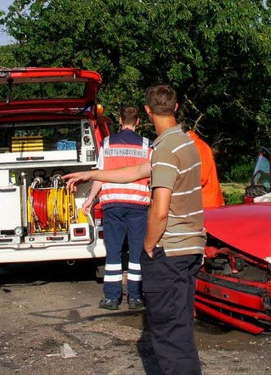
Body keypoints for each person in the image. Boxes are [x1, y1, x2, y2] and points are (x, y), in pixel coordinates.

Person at [64, 85, 205, 375]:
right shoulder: (183, 142)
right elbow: (137, 171)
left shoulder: (166, 149)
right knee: (180, 330)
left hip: (170, 252)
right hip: (190, 248)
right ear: (176, 108)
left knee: (167, 334)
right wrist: (91, 174)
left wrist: (149, 246)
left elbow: (161, 208)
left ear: (148, 111)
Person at [84, 106, 152, 311]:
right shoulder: (147, 145)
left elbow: (99, 175)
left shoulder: (107, 143)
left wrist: (90, 198)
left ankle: (112, 299)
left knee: (113, 253)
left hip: (113, 204)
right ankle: (135, 297)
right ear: (138, 122)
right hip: (138, 206)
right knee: (136, 253)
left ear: (120, 121)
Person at [186, 129, 224, 208]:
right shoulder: (193, 145)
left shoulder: (198, 147)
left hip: (207, 203)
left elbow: (201, 177)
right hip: (203, 202)